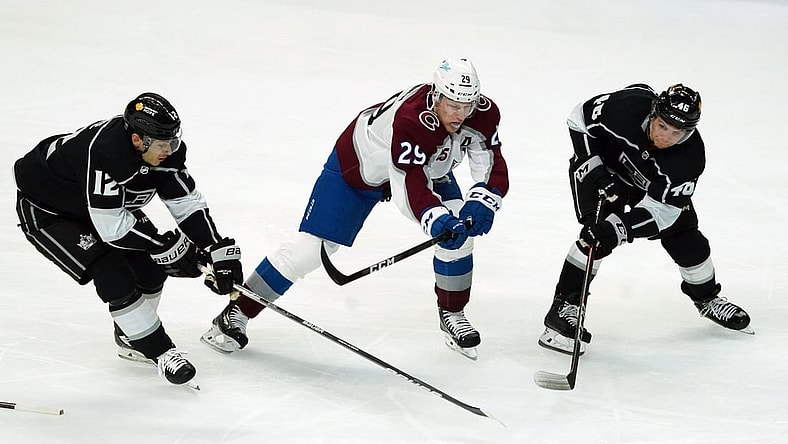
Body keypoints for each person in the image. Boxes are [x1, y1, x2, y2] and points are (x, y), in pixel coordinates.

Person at [201, 58, 509, 360]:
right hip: (360, 167)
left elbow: (489, 158)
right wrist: (438, 220)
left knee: (462, 235)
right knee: (310, 250)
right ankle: (236, 312)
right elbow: (408, 184)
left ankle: (452, 312)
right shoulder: (411, 119)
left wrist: (483, 200)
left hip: (430, 165)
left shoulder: (480, 112)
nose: (461, 114)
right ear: (436, 95)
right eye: (454, 105)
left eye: (468, 105)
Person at [13, 92, 244, 387]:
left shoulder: (165, 151)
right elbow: (111, 228)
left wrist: (214, 247)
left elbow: (185, 202)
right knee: (111, 272)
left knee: (150, 269)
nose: (169, 150)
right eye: (162, 144)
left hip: (100, 207)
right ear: (137, 140)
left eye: (173, 141)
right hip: (50, 212)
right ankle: (161, 351)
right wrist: (164, 246)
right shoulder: (106, 153)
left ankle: (131, 335)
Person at [537, 83, 752, 356]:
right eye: (662, 126)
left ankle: (707, 298)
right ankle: (563, 312)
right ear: (653, 113)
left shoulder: (689, 159)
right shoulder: (626, 106)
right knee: (595, 239)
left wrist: (620, 229)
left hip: (649, 188)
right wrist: (594, 167)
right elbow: (579, 118)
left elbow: (663, 213)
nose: (666, 137)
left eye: (678, 132)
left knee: (688, 241)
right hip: (602, 171)